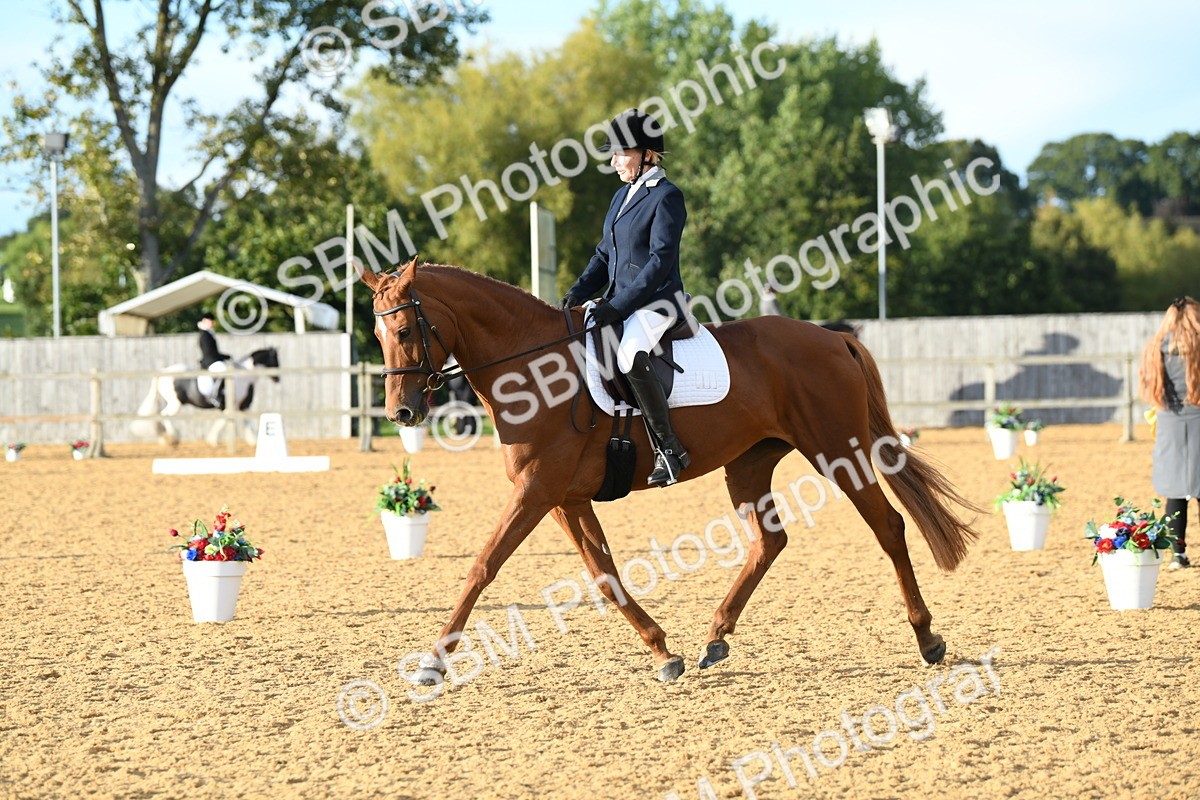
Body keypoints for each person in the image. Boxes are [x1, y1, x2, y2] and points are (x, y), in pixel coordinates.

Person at [561, 108, 690, 487]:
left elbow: (659, 261)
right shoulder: (621, 196)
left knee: (630, 353)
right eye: (613, 153)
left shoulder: (667, 196)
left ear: (648, 154)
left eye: (621, 153)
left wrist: (617, 306)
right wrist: (577, 293)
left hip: (660, 301)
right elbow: (604, 255)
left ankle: (670, 450)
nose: (614, 161)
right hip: (621, 300)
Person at [1139, 295, 1200, 569]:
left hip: (1170, 420)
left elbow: (1151, 386)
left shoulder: (1156, 347)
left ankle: (1178, 553)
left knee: (1175, 491)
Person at [197, 311, 231, 406]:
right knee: (224, 369)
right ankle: (216, 395)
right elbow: (209, 352)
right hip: (210, 361)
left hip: (213, 360)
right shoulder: (204, 335)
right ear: (204, 321)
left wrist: (225, 357)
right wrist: (222, 357)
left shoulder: (209, 333)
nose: (212, 323)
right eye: (210, 321)